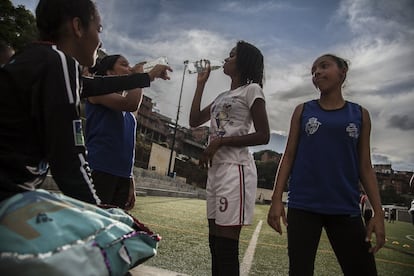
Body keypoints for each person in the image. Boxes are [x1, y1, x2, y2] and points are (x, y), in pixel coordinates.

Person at [0, 0, 172, 204]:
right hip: (9, 199)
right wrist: (95, 209)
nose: (100, 42)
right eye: (99, 29)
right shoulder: (59, 62)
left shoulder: (35, 58)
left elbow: (94, 85)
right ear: (78, 27)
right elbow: (69, 158)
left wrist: (146, 77)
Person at [267, 54, 385, 276]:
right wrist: (276, 199)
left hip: (345, 208)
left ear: (342, 72)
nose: (317, 73)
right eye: (313, 71)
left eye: (323, 66)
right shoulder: (303, 110)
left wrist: (378, 212)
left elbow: (365, 166)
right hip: (303, 206)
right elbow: (289, 155)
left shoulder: (360, 114)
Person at [189, 40, 270, 275]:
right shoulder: (223, 95)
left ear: (243, 62)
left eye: (232, 55)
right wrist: (200, 85)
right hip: (216, 170)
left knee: (225, 245)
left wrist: (221, 141)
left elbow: (263, 135)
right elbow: (194, 120)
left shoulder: (252, 89)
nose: (226, 59)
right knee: (214, 241)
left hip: (236, 169)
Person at [85, 54, 144, 210]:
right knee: (94, 225)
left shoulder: (130, 117)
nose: (129, 69)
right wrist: (139, 77)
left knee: (114, 228)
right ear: (109, 72)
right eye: (124, 64)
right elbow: (131, 103)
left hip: (122, 177)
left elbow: (127, 150)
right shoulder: (97, 93)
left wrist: (130, 179)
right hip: (100, 171)